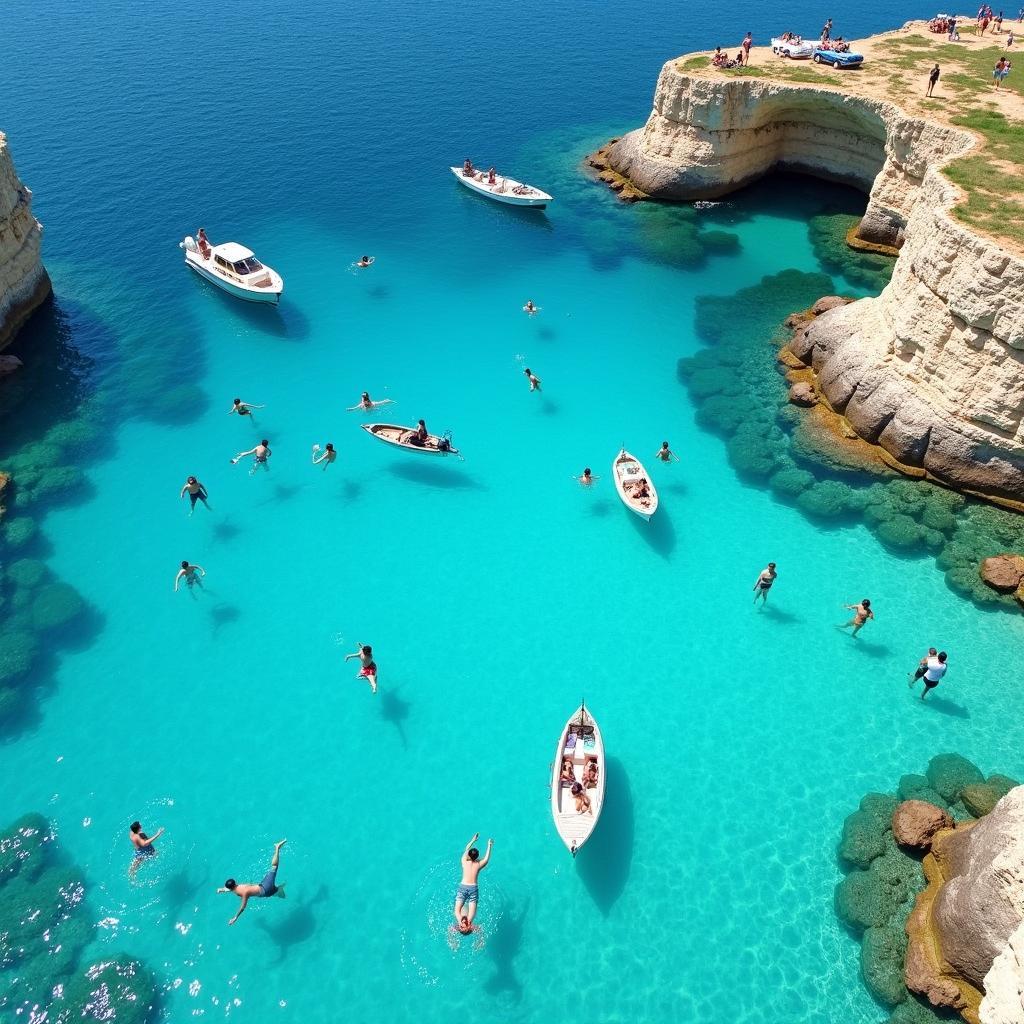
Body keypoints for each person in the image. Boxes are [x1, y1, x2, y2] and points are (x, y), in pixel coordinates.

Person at [217, 840, 288, 925]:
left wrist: (235, 918)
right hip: (264, 884)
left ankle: (279, 889)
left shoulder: (244, 893)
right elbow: (232, 889)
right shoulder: (240, 886)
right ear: (235, 883)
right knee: (274, 866)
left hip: (266, 891)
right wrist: (223, 890)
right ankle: (277, 848)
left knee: (278, 893)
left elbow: (242, 907)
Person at [453, 832, 493, 935]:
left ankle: (466, 928)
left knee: (460, 912)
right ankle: (468, 927)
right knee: (470, 915)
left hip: (463, 888)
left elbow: (466, 849)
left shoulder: (464, 861)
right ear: (477, 857)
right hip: (473, 890)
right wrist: (489, 845)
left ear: (469, 856)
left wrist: (473, 840)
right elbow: (486, 859)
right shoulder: (478, 864)